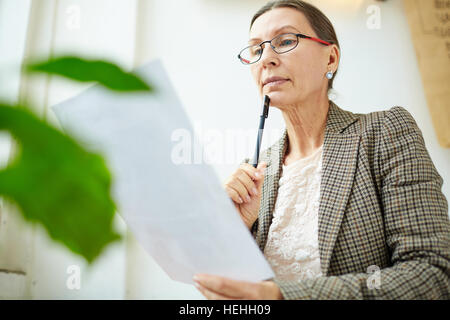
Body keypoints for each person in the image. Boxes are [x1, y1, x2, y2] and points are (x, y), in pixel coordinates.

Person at [193, 0, 450, 299]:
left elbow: (433, 274)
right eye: (256, 50)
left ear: (330, 59)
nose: (267, 59)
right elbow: (237, 293)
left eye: (285, 41)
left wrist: (282, 297)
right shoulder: (255, 172)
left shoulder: (385, 132)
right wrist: (234, 232)